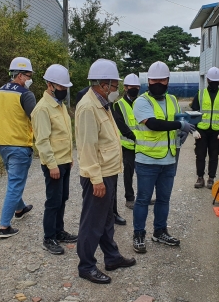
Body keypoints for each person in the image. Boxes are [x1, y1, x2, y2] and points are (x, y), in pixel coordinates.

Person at [75, 59, 136, 284]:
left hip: (108, 171)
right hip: (97, 176)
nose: (116, 89)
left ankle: (111, 257)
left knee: (106, 219)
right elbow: (87, 147)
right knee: (92, 222)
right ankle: (86, 265)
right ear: (103, 84)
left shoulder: (102, 103)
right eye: (114, 84)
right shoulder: (88, 107)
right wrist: (96, 179)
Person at [132, 61, 195, 254]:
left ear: (168, 81)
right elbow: (153, 124)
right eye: (154, 80)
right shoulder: (142, 101)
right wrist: (179, 126)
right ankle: (139, 234)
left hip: (169, 158)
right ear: (148, 81)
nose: (157, 83)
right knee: (143, 199)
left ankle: (160, 231)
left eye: (162, 80)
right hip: (147, 160)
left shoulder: (173, 100)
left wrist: (181, 131)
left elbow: (177, 120)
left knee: (164, 199)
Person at [0, 57, 35, 238]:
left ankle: (20, 209)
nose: (30, 79)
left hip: (3, 146)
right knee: (15, 184)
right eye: (29, 75)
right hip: (20, 146)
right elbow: (36, 119)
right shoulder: (25, 95)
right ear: (20, 75)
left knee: (14, 180)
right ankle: (4, 226)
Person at [31, 64, 78, 255]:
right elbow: (42, 141)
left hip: (64, 161)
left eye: (66, 87)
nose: (64, 91)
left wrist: (69, 158)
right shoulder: (42, 109)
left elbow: (64, 135)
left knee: (63, 198)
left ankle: (59, 231)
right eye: (61, 87)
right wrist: (52, 165)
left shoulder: (60, 107)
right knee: (53, 201)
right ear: (50, 85)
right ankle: (48, 237)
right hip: (54, 164)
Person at [191, 67, 219, 189]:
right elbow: (194, 114)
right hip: (202, 131)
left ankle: (211, 178)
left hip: (216, 132)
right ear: (208, 80)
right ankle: (200, 177)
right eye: (212, 81)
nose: (214, 83)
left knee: (214, 155)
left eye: (216, 82)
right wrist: (194, 130)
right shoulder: (200, 94)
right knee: (200, 155)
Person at [111, 73, 140, 210]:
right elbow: (121, 125)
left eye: (136, 87)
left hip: (143, 145)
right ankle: (130, 198)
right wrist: (134, 137)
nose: (134, 89)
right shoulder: (118, 105)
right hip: (127, 145)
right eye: (131, 87)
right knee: (128, 173)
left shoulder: (142, 103)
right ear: (126, 88)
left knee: (144, 172)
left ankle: (143, 197)